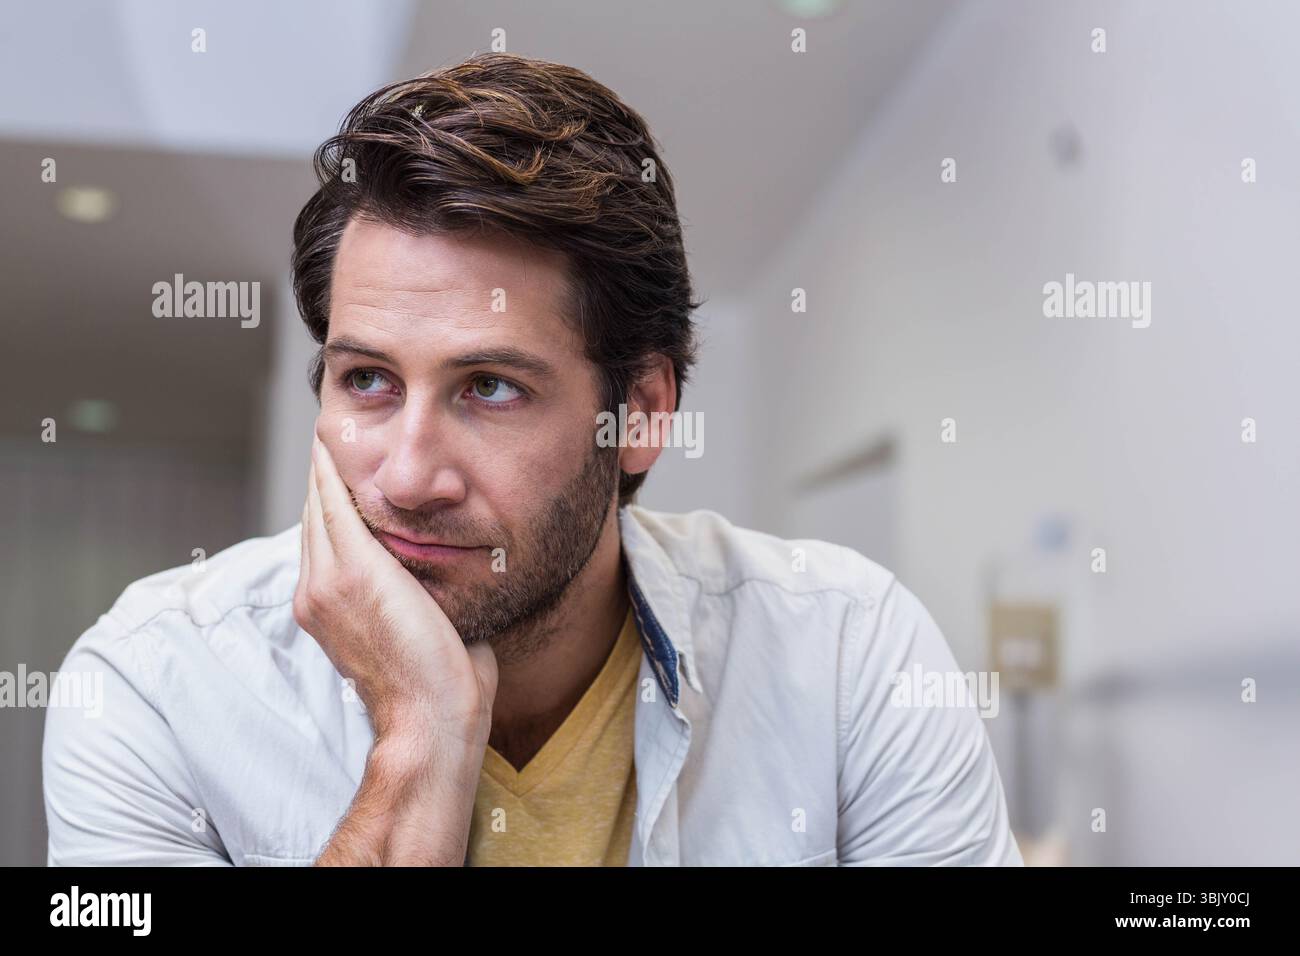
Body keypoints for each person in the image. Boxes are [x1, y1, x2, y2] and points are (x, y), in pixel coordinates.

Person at [43, 52, 1021, 866]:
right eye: (368, 381)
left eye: (489, 388)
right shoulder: (157, 683)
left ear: (638, 411)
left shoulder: (846, 655)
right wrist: (417, 747)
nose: (407, 475)